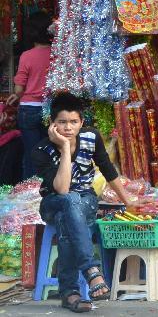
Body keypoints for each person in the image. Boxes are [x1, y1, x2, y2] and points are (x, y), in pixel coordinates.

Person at [32, 93, 133, 313]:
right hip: (53, 202)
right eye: (62, 122)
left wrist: (129, 202)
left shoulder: (92, 137)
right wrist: (66, 149)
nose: (68, 128)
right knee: (68, 200)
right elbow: (62, 188)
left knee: (67, 219)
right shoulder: (41, 150)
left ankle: (70, 293)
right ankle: (91, 271)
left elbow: (107, 169)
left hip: (85, 202)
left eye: (73, 122)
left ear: (82, 122)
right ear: (52, 124)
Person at [7, 12, 54, 177]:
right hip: (50, 109)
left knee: (31, 153)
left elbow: (19, 89)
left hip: (29, 109)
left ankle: (29, 193)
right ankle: (49, 187)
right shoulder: (56, 54)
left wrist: (16, 95)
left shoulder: (26, 56)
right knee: (50, 152)